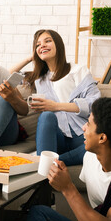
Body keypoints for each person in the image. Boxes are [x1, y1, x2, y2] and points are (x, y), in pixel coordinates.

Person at [26, 97, 111, 221]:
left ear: (102, 138)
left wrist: (68, 188)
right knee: (39, 214)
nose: (83, 128)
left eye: (88, 124)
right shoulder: (91, 156)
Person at [12, 29, 101, 166]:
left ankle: (47, 163)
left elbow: (94, 103)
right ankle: (47, 162)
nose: (42, 45)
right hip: (56, 136)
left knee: (100, 148)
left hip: (80, 134)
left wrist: (55, 106)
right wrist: (31, 58)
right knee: (47, 116)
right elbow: (7, 77)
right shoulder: (38, 78)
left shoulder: (77, 70)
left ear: (58, 45)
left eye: (48, 41)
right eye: (38, 45)